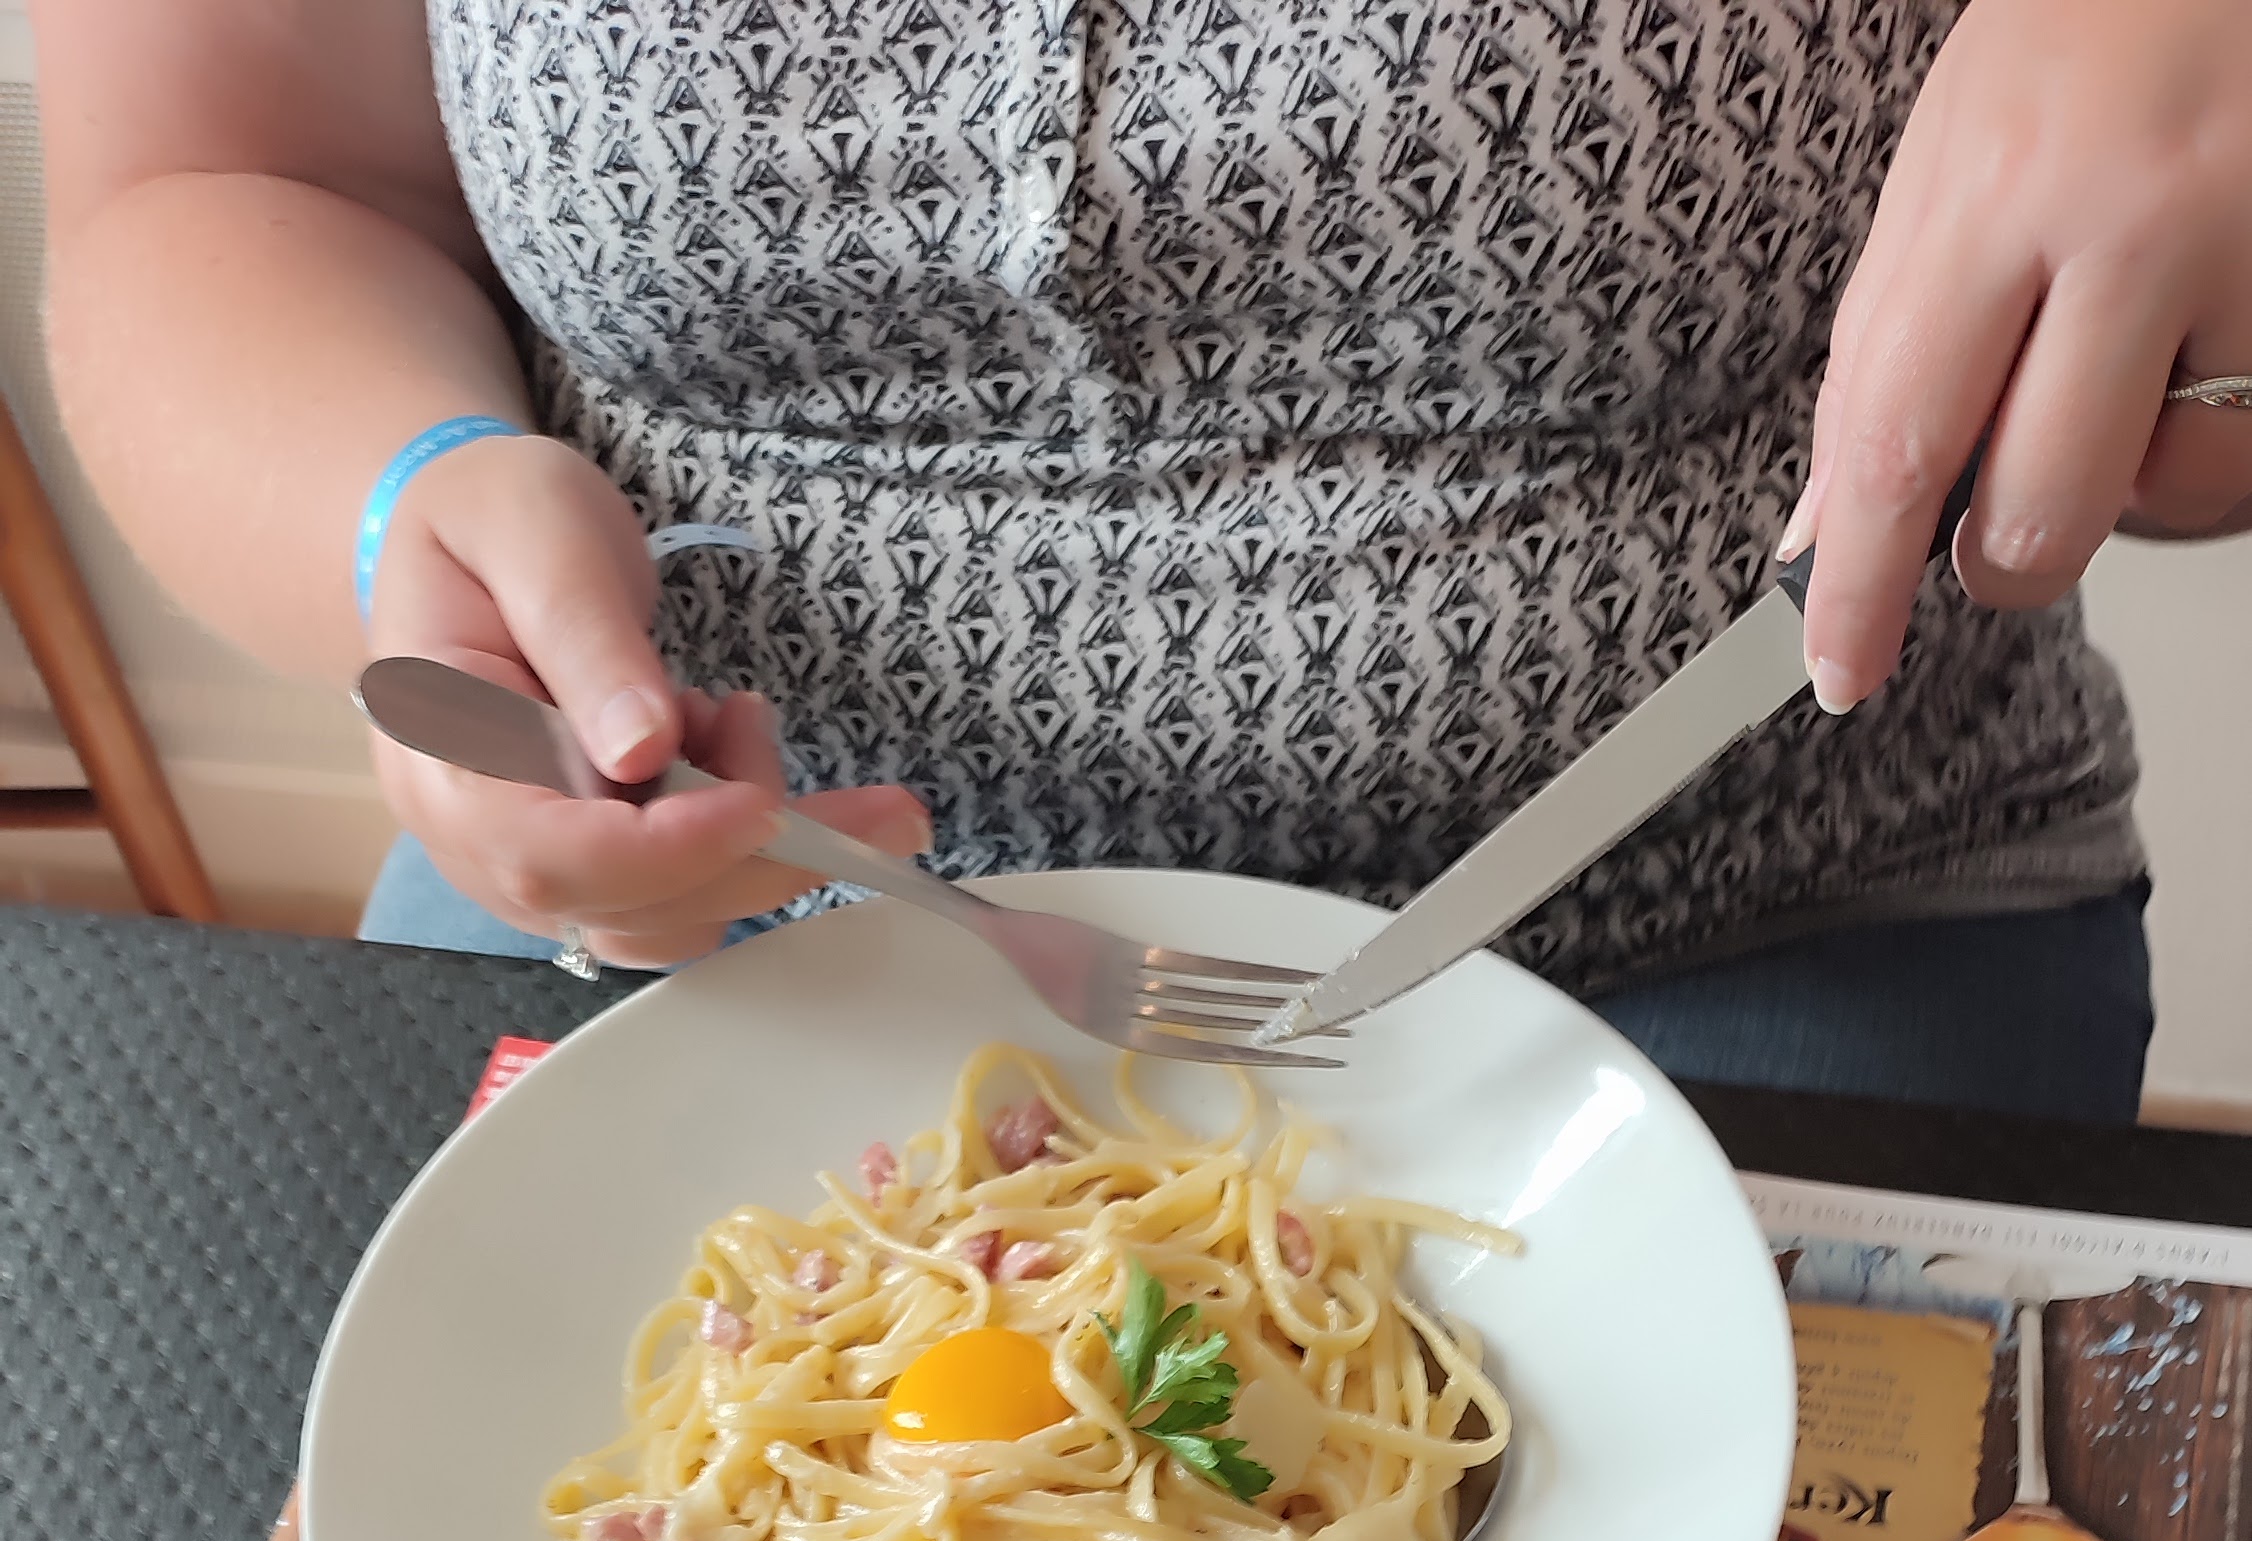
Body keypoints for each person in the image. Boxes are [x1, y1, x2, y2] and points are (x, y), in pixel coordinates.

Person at [36, 2, 2252, 1119]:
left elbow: (2181, 437)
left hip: (1766, 898)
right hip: (688, 907)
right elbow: (222, 182)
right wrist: (403, 496)